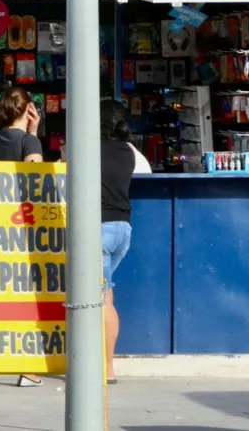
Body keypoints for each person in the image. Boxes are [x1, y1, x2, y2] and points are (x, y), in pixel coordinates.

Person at [0, 86, 43, 388]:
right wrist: (35, 133)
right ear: (29, 109)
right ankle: (27, 368)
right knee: (26, 301)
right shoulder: (27, 140)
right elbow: (35, 176)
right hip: (24, 225)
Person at [98, 99, 137, 386]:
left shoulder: (89, 149)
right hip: (122, 228)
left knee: (101, 301)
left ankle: (106, 368)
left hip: (99, 229)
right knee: (106, 295)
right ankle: (104, 364)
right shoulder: (128, 152)